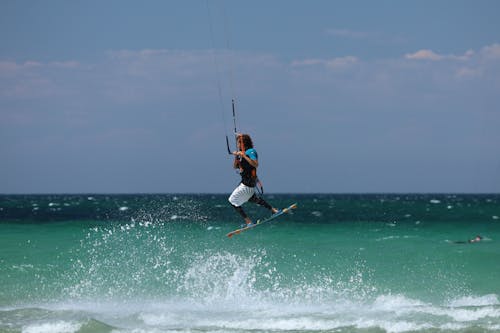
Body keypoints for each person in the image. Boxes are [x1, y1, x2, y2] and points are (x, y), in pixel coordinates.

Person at [228, 134, 279, 226]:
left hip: (247, 184)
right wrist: (236, 156)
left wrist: (244, 156)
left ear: (243, 143)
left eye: (239, 143)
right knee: (253, 198)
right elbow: (235, 166)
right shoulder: (241, 153)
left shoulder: (251, 151)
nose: (238, 145)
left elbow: (255, 164)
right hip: (248, 183)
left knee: (232, 200)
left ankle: (248, 221)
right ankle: (274, 210)